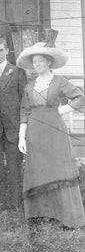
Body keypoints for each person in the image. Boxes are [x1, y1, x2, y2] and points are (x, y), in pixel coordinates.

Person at [17, 31, 85, 228]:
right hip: (34, 132)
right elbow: (24, 110)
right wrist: (22, 137)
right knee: (39, 170)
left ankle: (67, 217)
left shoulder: (59, 81)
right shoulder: (30, 86)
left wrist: (61, 110)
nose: (37, 65)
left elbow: (80, 98)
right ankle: (42, 214)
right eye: (34, 62)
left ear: (48, 62)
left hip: (54, 131)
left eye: (40, 61)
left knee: (58, 169)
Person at [0, 38, 26, 211]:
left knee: (15, 166)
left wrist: (23, 125)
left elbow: (24, 100)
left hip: (13, 127)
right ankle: (0, 203)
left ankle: (15, 203)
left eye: (1, 50)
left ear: (7, 51)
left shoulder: (17, 72)